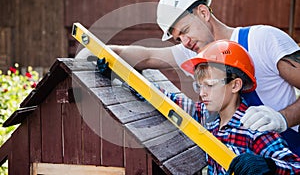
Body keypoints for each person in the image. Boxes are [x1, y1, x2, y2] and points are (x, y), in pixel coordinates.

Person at [76, 0, 300, 154]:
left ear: (203, 13)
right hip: (237, 159)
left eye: (185, 30)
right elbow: (147, 55)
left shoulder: (262, 40)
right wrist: (99, 53)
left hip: (288, 152)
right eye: (177, 37)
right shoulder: (195, 54)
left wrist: (282, 118)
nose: (184, 42)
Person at [96, 40, 300, 174]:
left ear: (235, 85)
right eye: (199, 86)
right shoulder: (205, 115)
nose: (202, 93)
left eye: (209, 85)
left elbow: (294, 167)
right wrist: (119, 76)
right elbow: (161, 97)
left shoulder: (255, 127)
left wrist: (270, 167)